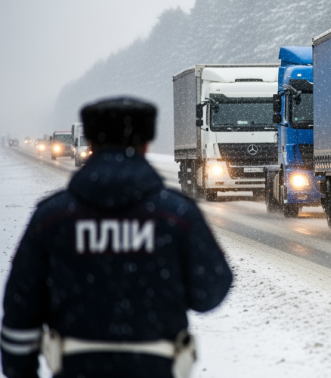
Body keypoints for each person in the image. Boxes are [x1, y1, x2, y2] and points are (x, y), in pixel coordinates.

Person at [1, 97, 233, 378]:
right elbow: (209, 293)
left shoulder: (52, 218)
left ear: (90, 143)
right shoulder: (178, 216)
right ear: (146, 145)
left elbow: (19, 313)